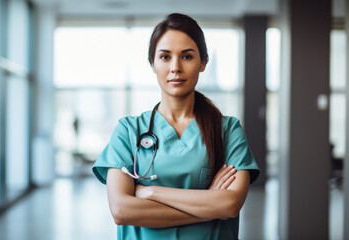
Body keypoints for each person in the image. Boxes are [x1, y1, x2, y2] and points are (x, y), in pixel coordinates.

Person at [92, 13, 260, 240]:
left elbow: (229, 205)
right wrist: (208, 204)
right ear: (152, 63)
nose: (175, 67)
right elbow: (122, 210)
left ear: (203, 63)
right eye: (164, 57)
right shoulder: (129, 131)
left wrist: (151, 191)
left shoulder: (228, 130)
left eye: (187, 56)